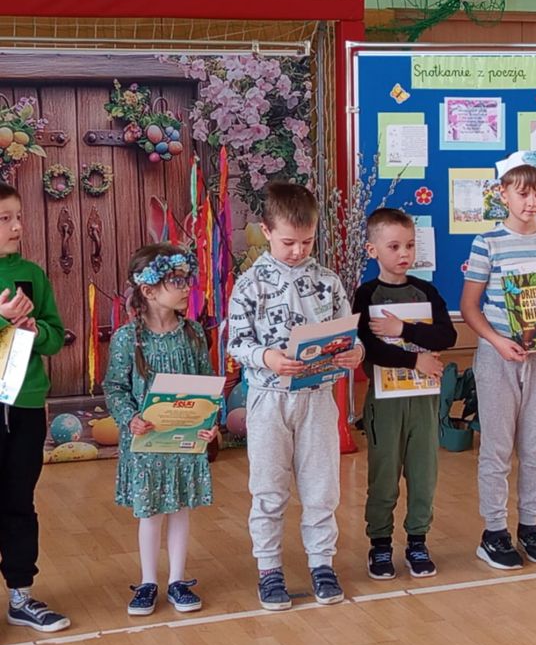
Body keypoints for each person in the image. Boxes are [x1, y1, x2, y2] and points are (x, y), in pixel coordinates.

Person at [227, 181, 364, 610]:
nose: (298, 251)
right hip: (268, 400)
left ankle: (322, 563)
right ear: (267, 231)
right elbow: (237, 343)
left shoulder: (328, 281)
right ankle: (269, 570)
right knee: (268, 489)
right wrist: (267, 357)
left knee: (322, 487)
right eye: (288, 242)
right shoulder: (249, 284)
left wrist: (355, 353)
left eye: (307, 241)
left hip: (318, 398)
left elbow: (348, 334)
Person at [460, 163, 536, 570]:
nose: (531, 202)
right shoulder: (487, 243)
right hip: (498, 358)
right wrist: (497, 341)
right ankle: (494, 531)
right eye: (522, 194)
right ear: (504, 194)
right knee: (496, 447)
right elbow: (469, 306)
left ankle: (530, 523)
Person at [103, 244, 218, 616]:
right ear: (149, 290)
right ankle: (148, 581)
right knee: (150, 512)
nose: (187, 288)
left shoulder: (194, 333)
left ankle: (178, 581)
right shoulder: (127, 338)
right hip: (146, 442)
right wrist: (129, 418)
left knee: (180, 508)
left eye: (187, 280)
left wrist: (210, 423)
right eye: (176, 281)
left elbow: (206, 384)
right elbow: (114, 387)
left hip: (183, 441)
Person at [353, 208, 457, 580]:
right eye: (394, 246)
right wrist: (415, 361)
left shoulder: (426, 292)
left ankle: (417, 540)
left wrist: (405, 329)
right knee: (383, 475)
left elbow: (447, 335)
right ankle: (380, 543)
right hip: (385, 403)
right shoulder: (366, 295)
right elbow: (370, 348)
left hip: (424, 401)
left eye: (410, 246)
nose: (404, 254)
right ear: (372, 250)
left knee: (423, 473)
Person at [0, 183, 69, 633]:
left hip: (25, 403)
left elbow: (55, 335)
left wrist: (32, 329)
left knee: (19, 500)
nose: (17, 226)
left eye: (18, 216)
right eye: (4, 219)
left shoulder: (31, 274)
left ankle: (21, 596)